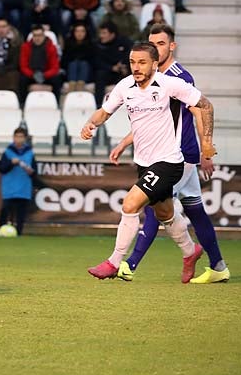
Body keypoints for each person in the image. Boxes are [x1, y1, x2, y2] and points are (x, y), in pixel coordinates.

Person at [81, 42, 214, 283]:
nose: (136, 67)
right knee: (165, 214)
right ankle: (190, 251)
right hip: (144, 163)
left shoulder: (169, 84)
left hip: (169, 162)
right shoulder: (125, 86)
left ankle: (113, 261)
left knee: (130, 205)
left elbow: (205, 106)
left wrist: (206, 142)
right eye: (133, 62)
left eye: (142, 62)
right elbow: (105, 111)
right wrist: (91, 124)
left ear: (154, 63)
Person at [111, 25, 230, 284]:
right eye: (152, 43)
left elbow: (198, 110)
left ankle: (129, 265)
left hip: (180, 155)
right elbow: (151, 119)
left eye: (161, 43)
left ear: (171, 46)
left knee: (154, 206)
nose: (156, 48)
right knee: (195, 211)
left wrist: (205, 149)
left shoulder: (178, 76)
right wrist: (124, 142)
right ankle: (218, 266)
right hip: (176, 154)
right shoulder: (149, 77)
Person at [0, 127, 37, 235]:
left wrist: (30, 171)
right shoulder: (7, 152)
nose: (19, 139)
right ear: (13, 138)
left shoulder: (30, 153)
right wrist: (11, 163)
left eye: (21, 137)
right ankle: (1, 230)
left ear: (25, 138)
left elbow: (35, 172)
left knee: (21, 213)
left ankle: (19, 233)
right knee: (5, 210)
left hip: (24, 188)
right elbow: (1, 169)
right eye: (17, 136)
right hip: (9, 188)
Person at [93, 22, 132, 107]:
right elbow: (97, 62)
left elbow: (131, 55)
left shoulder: (125, 42)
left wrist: (123, 65)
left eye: (104, 33)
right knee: (99, 75)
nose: (101, 36)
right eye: (100, 33)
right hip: (108, 72)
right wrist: (112, 68)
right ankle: (99, 106)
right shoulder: (97, 45)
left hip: (124, 70)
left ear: (112, 34)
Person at [19, 24, 62, 100]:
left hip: (46, 74)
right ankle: (22, 103)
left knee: (56, 79)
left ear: (43, 35)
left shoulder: (51, 47)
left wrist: (44, 75)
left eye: (40, 35)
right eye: (35, 35)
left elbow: (55, 67)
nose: (37, 38)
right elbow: (23, 66)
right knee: (22, 79)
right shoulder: (25, 47)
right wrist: (33, 75)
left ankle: (56, 102)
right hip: (31, 74)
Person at [62, 23, 95, 92]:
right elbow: (64, 61)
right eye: (77, 31)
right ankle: (72, 86)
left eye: (82, 31)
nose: (79, 33)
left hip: (87, 72)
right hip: (70, 70)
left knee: (83, 64)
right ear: (73, 32)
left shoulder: (91, 44)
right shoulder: (68, 43)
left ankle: (80, 86)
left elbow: (93, 61)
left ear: (86, 32)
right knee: (73, 64)